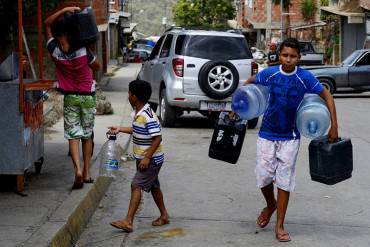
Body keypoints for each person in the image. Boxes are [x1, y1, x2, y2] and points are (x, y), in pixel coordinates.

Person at [244, 38, 338, 242]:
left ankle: (280, 225)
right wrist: (241, 106)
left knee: (284, 181)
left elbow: (327, 96)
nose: (288, 59)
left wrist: (334, 126)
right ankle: (271, 205)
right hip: (267, 134)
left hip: (291, 137)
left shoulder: (305, 78)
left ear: (299, 58)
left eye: (293, 56)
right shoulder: (270, 74)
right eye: (285, 55)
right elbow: (249, 85)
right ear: (279, 56)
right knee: (263, 176)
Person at [45, 6, 100, 190]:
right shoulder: (84, 51)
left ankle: (76, 170)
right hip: (87, 97)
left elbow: (47, 23)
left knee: (73, 135)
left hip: (70, 98)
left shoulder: (55, 52)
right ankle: (86, 172)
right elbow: (97, 67)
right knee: (87, 135)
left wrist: (65, 9)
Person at [108, 80, 169, 233]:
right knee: (154, 186)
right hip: (145, 158)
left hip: (150, 160)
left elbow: (157, 138)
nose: (128, 96)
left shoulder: (147, 115)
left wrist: (147, 158)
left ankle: (128, 221)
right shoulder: (139, 113)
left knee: (136, 185)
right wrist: (120, 129)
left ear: (134, 97)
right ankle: (164, 215)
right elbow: (137, 130)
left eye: (129, 93)